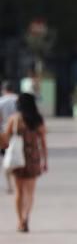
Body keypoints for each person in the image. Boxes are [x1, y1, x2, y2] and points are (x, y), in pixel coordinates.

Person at [1, 93, 47, 232]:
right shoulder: (38, 120)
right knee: (30, 192)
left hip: (18, 159)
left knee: (19, 192)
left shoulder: (14, 119)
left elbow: (5, 140)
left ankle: (20, 220)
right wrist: (45, 160)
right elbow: (43, 142)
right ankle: (26, 217)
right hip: (33, 158)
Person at [0, 81, 18, 194]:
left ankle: (10, 185)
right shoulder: (19, 100)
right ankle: (17, 183)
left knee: (7, 159)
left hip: (3, 134)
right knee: (17, 158)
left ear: (4, 90)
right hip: (17, 134)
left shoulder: (0, 101)